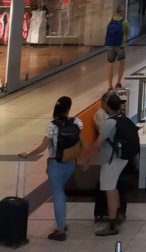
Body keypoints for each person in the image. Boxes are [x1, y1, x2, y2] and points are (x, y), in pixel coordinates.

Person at [19, 95, 83, 240]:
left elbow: (42, 147)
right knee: (61, 191)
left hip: (56, 165)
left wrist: (28, 154)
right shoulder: (77, 122)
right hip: (71, 163)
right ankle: (62, 222)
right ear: (69, 108)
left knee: (58, 194)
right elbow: (81, 142)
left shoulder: (52, 125)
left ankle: (60, 230)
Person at [83, 93, 129, 236]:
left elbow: (98, 144)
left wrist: (88, 160)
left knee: (109, 190)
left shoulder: (109, 122)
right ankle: (118, 214)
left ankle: (112, 224)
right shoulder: (123, 118)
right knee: (113, 187)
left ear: (107, 105)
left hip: (111, 159)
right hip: (122, 156)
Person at [93, 91, 127, 223]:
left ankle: (115, 216)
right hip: (109, 154)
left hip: (114, 154)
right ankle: (114, 218)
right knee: (110, 187)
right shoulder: (101, 115)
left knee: (111, 186)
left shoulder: (114, 116)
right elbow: (104, 135)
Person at [104, 5, 129, 90]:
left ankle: (110, 85)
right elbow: (127, 32)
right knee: (122, 63)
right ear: (122, 12)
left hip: (110, 45)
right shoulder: (124, 21)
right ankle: (118, 82)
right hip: (120, 45)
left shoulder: (111, 21)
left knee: (110, 64)